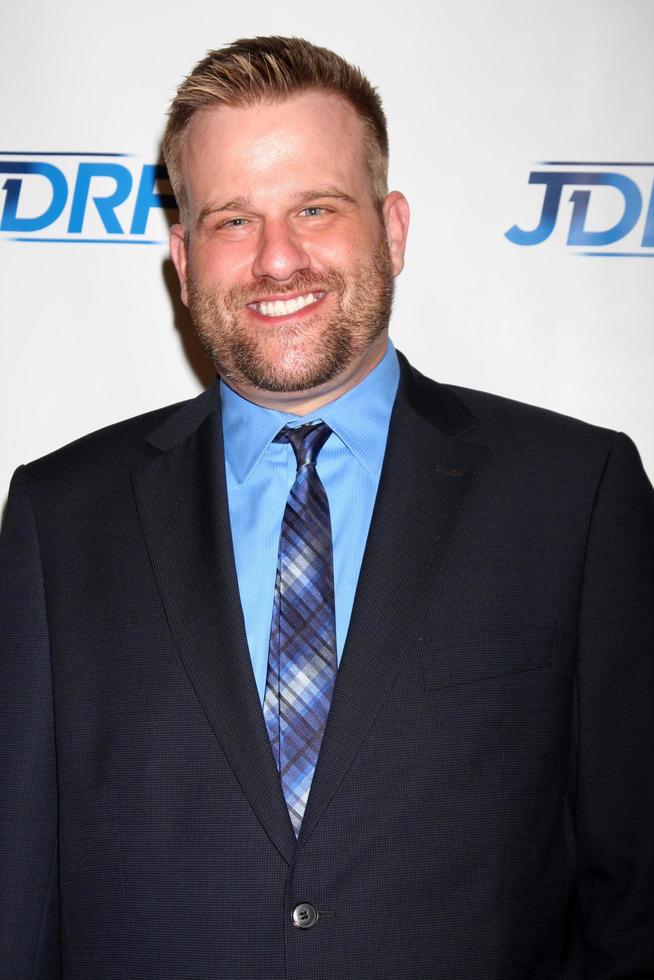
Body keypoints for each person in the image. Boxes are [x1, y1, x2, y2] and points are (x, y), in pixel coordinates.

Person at [1, 35, 653, 980]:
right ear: (183, 259)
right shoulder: (58, 521)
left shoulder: (575, 496)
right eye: (232, 220)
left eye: (316, 207)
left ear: (391, 229)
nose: (277, 259)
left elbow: (632, 890)